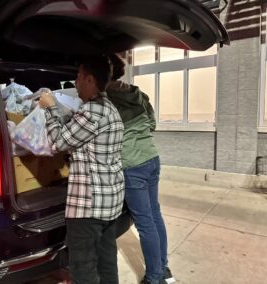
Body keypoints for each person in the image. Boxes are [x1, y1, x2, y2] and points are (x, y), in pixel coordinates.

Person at [38, 56, 125, 284]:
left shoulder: (92, 112)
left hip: (89, 208)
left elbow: (58, 141)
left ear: (89, 79)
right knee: (107, 264)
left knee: (83, 269)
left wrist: (50, 108)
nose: (75, 82)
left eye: (78, 77)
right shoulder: (109, 108)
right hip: (110, 203)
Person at [106, 54, 175, 284]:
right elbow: (152, 124)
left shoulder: (106, 99)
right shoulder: (138, 93)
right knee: (155, 215)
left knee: (145, 222)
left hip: (131, 164)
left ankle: (154, 277)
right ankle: (163, 268)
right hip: (151, 158)